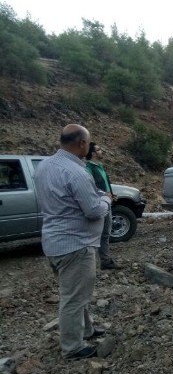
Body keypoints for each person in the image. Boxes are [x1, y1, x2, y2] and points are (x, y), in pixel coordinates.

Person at [34, 124, 112, 360]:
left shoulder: (44, 166)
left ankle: (87, 330)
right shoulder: (76, 172)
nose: (89, 147)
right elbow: (93, 210)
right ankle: (72, 347)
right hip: (76, 245)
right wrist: (107, 200)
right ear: (81, 144)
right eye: (88, 143)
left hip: (54, 241)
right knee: (73, 298)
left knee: (77, 292)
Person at [85, 142, 120, 270]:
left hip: (106, 203)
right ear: (93, 153)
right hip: (98, 205)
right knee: (97, 234)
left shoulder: (99, 166)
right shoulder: (88, 168)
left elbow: (104, 184)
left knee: (105, 233)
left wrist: (111, 194)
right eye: (99, 150)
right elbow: (90, 187)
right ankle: (90, 264)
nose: (102, 151)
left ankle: (105, 261)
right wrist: (104, 194)